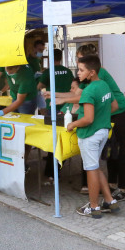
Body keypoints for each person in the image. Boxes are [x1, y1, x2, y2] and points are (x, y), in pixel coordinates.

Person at [52, 44, 125, 200]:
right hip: (108, 114)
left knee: (117, 150)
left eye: (79, 60)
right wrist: (57, 96)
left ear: (89, 65)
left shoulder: (98, 77)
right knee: (107, 153)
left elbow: (85, 98)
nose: (78, 68)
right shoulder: (91, 78)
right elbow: (77, 93)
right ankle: (109, 187)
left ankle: (121, 188)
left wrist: (77, 118)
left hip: (121, 112)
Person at [66, 55, 119, 218]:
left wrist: (73, 124)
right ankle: (110, 200)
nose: (78, 73)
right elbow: (115, 106)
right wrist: (100, 117)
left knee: (90, 169)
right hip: (102, 131)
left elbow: (88, 119)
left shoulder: (89, 90)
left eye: (82, 70)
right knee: (95, 166)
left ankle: (94, 207)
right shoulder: (103, 85)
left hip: (90, 135)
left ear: (92, 72)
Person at [37, 49, 75, 178]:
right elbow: (73, 88)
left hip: (52, 106)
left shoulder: (48, 71)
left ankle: (52, 169)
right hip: (67, 107)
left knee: (53, 137)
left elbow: (39, 86)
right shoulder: (68, 71)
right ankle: (57, 166)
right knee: (62, 137)